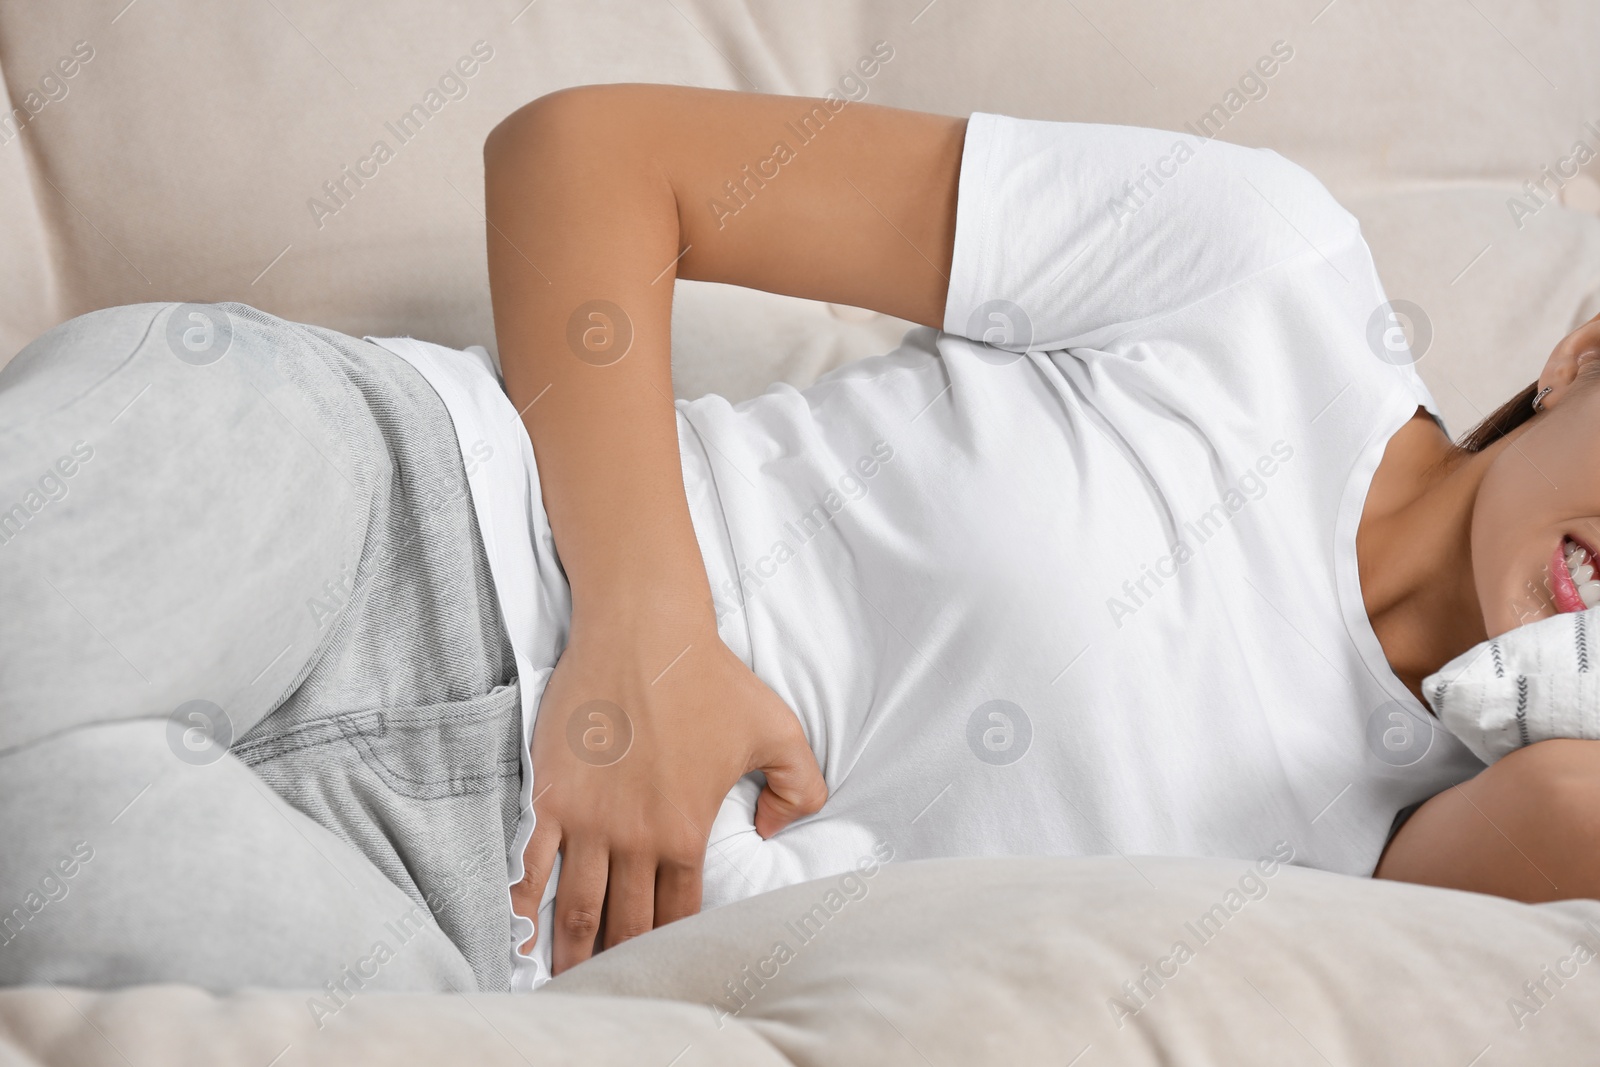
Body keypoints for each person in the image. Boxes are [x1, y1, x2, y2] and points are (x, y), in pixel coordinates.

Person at [3, 84, 1598, 995]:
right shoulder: (1272, 275)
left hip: (476, 929)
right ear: (1586, 357)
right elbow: (594, 156)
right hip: (390, 505)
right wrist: (651, 632)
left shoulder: (1431, 860)